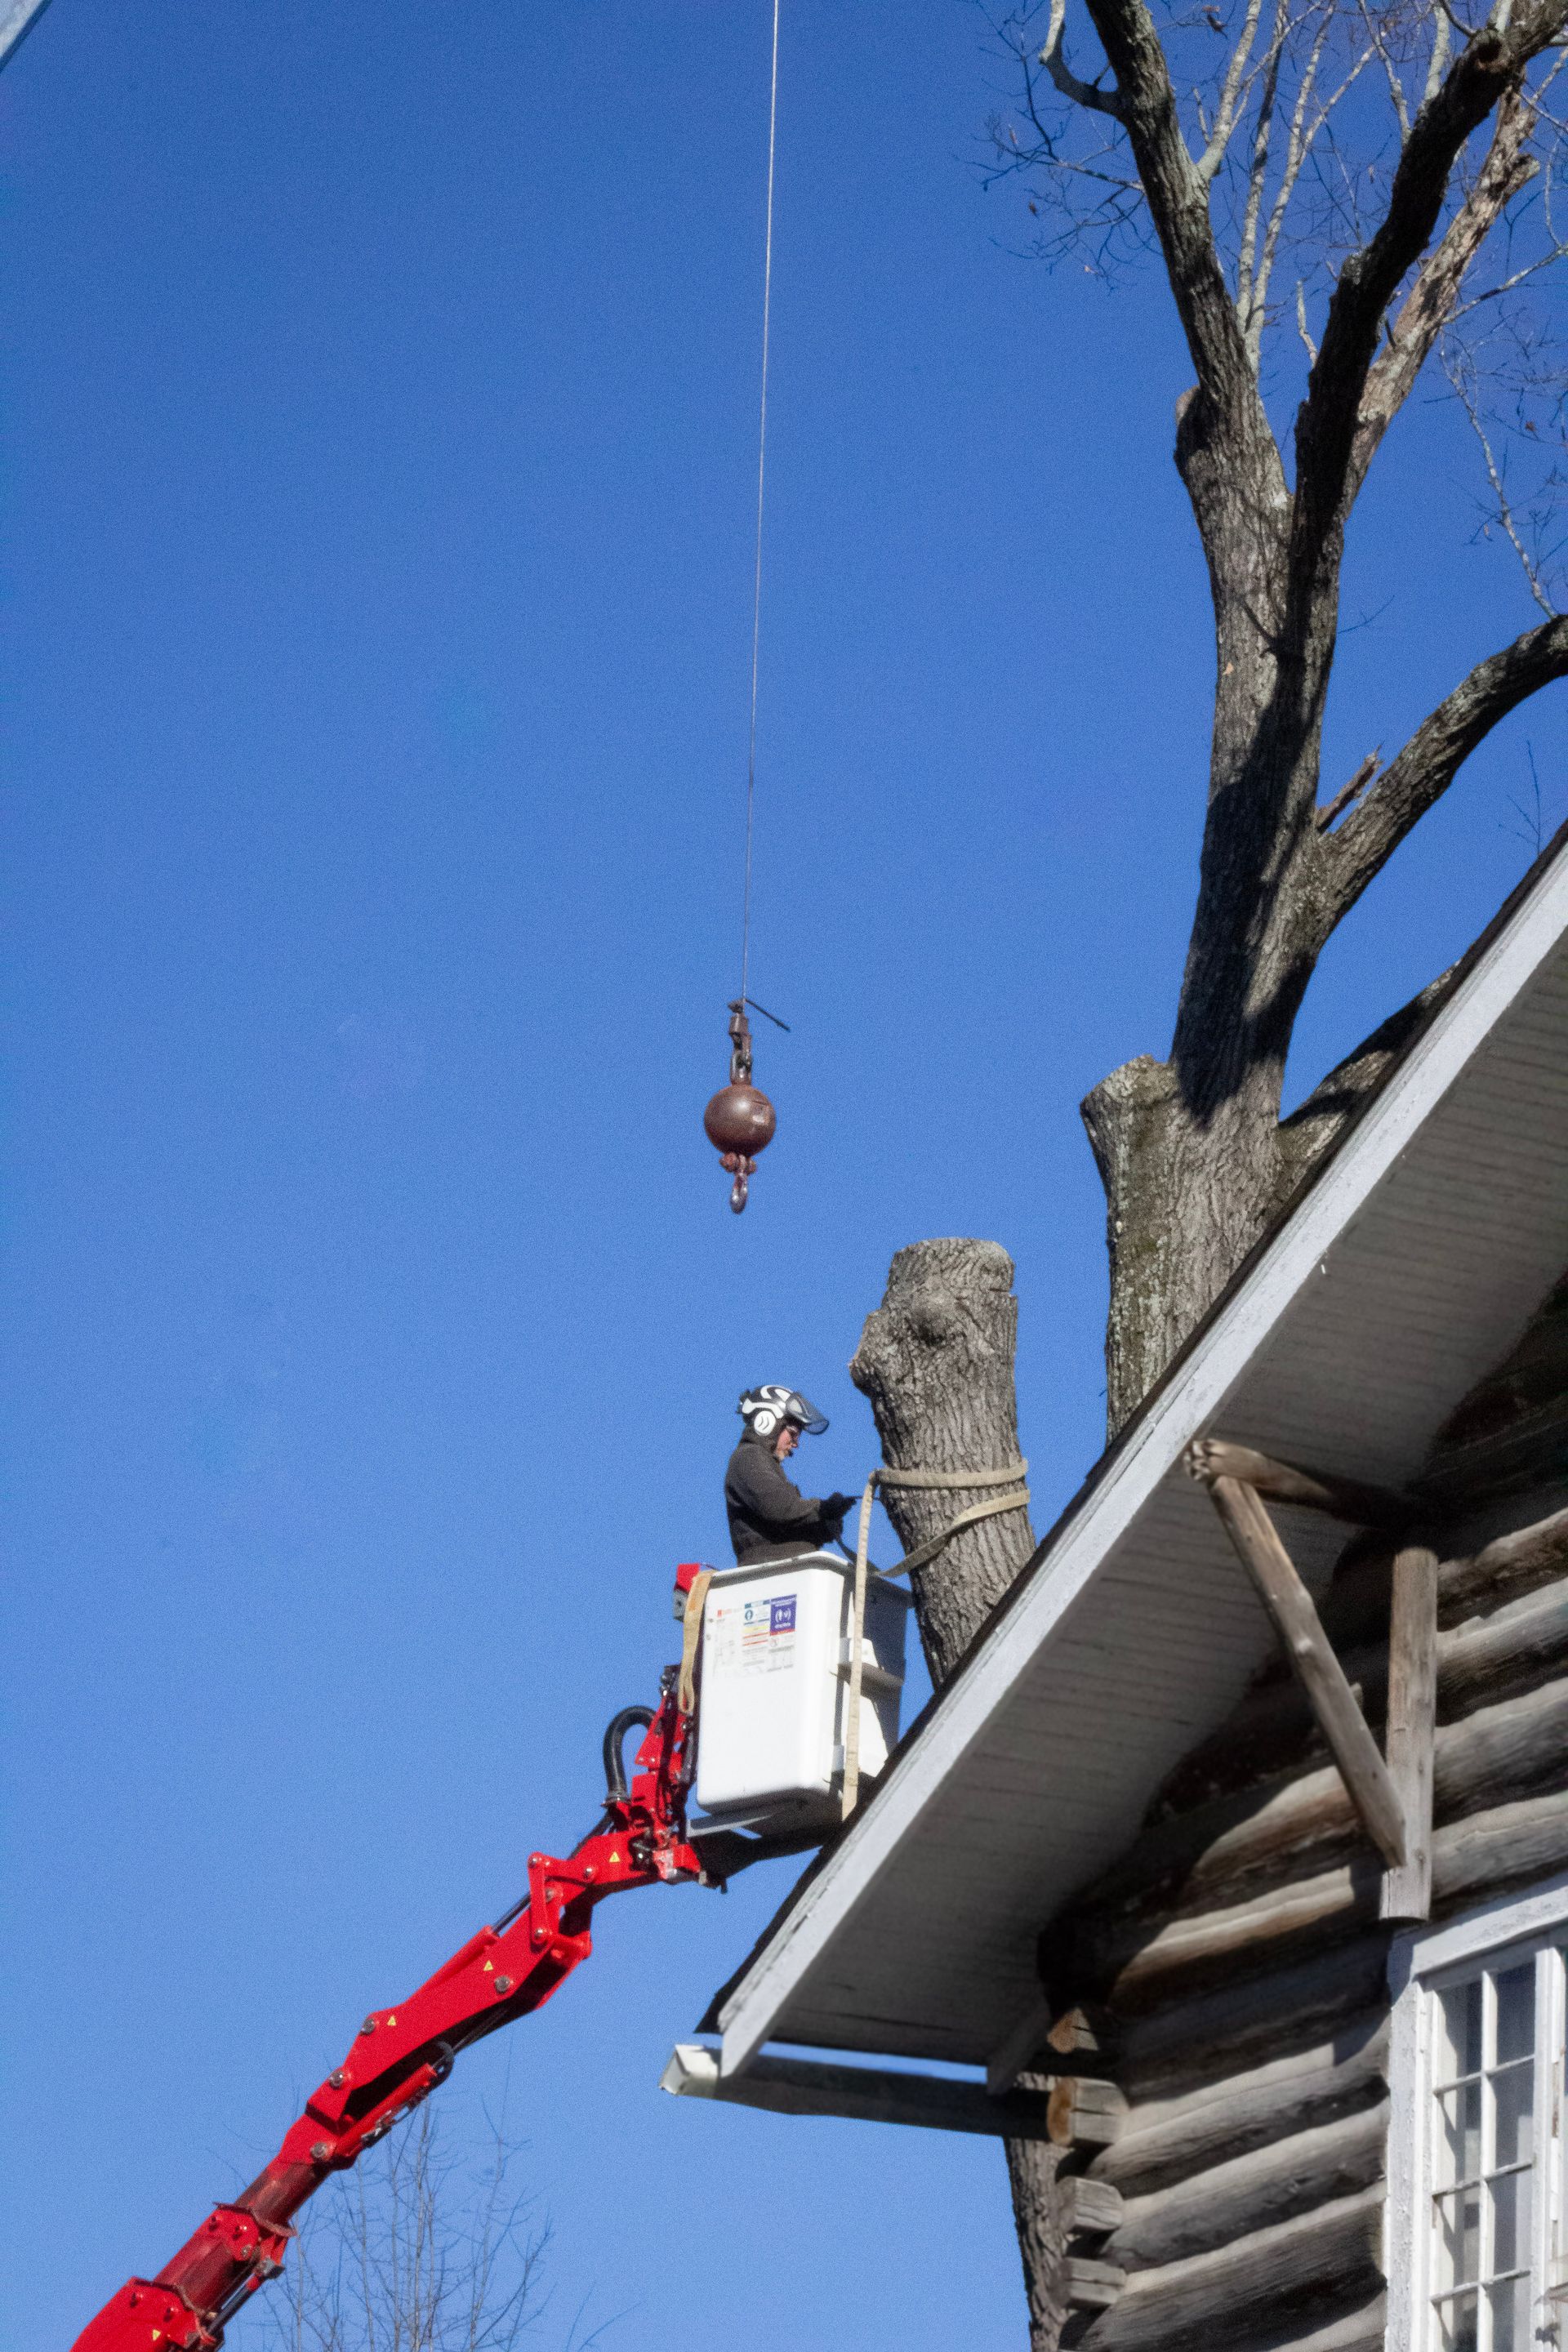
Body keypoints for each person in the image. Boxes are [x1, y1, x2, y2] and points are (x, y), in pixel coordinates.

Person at [724, 1387, 858, 1566]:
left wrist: (822, 1528)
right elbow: (780, 1508)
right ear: (767, 1422)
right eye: (793, 1434)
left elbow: (782, 1527)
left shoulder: (764, 1462)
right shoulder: (748, 1457)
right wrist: (822, 1509)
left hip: (782, 1567)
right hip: (769, 1570)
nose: (795, 1444)